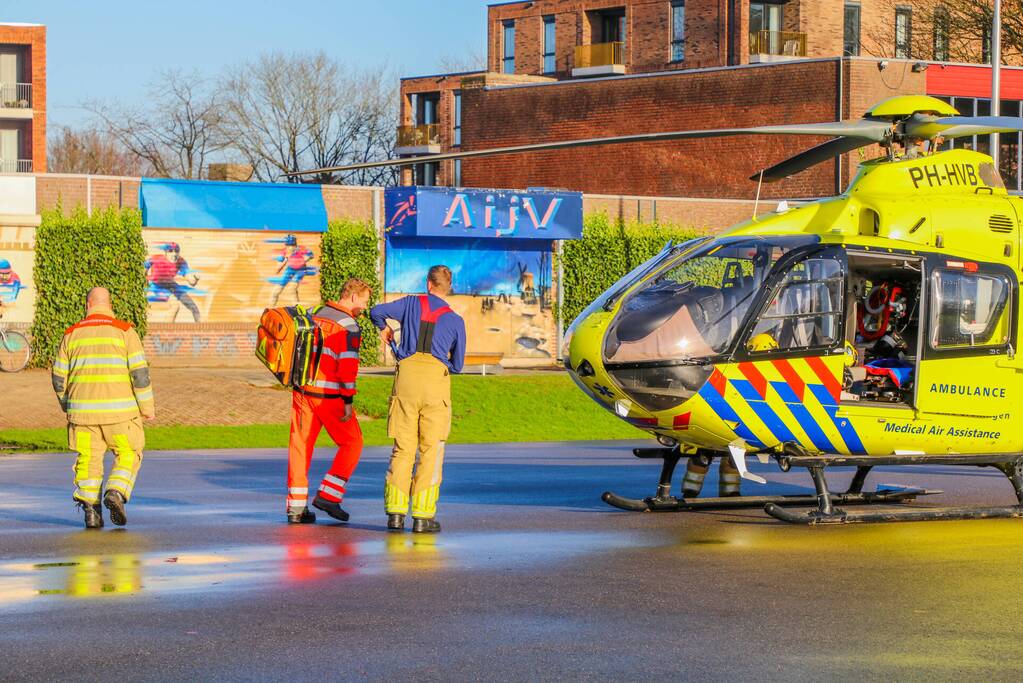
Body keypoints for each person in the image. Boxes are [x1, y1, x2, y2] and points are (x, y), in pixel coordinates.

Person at [369, 265, 466, 534]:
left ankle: (396, 515)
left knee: (403, 448)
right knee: (431, 450)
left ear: (428, 283)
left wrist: (385, 331)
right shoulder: (455, 320)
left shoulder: (411, 303)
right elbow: (457, 365)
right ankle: (423, 516)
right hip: (436, 383)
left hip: (406, 380)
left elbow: (376, 312)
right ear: (447, 287)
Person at [51, 287, 155, 529]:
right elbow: (140, 375)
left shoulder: (71, 334)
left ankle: (91, 513)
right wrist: (147, 407)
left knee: (88, 459)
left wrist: (68, 404)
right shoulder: (125, 332)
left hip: (83, 416)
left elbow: (58, 378)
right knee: (129, 453)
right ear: (110, 305)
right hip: (120, 415)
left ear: (88, 305)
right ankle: (116, 492)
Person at [286, 278, 371, 525]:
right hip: (330, 397)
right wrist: (348, 400)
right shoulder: (349, 326)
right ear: (353, 297)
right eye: (364, 301)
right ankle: (329, 495)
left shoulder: (314, 313)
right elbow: (347, 368)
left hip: (303, 392)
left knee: (300, 448)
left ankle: (296, 508)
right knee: (353, 443)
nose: (364, 307)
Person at [145, 243, 201, 322]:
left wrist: (196, 278)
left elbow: (191, 281)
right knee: (175, 307)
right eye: (170, 251)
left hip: (170, 284)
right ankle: (165, 332)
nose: (174, 254)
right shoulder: (156, 259)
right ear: (166, 253)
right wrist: (145, 280)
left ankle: (201, 330)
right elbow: (143, 269)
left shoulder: (181, 261)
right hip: (157, 285)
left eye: (176, 251)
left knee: (194, 307)